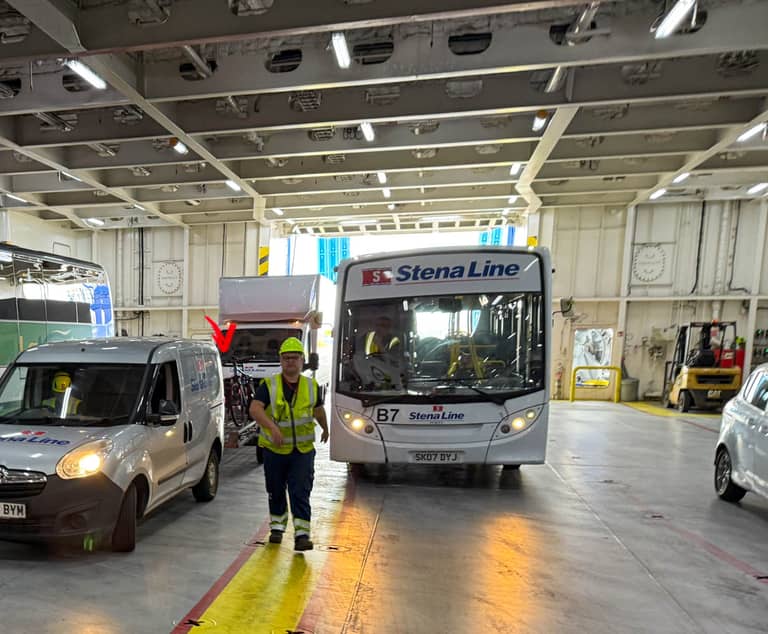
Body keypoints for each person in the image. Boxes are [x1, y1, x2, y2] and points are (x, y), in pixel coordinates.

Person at [248, 337, 329, 552]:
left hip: (302, 452)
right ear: (281, 361)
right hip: (275, 451)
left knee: (300, 490)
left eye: (294, 358)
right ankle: (277, 528)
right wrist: (272, 428)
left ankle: (302, 535)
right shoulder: (269, 385)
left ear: (302, 360)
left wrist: (326, 427)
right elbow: (255, 409)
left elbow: (318, 409)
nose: (290, 362)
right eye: (286, 358)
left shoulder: (311, 386)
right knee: (275, 489)